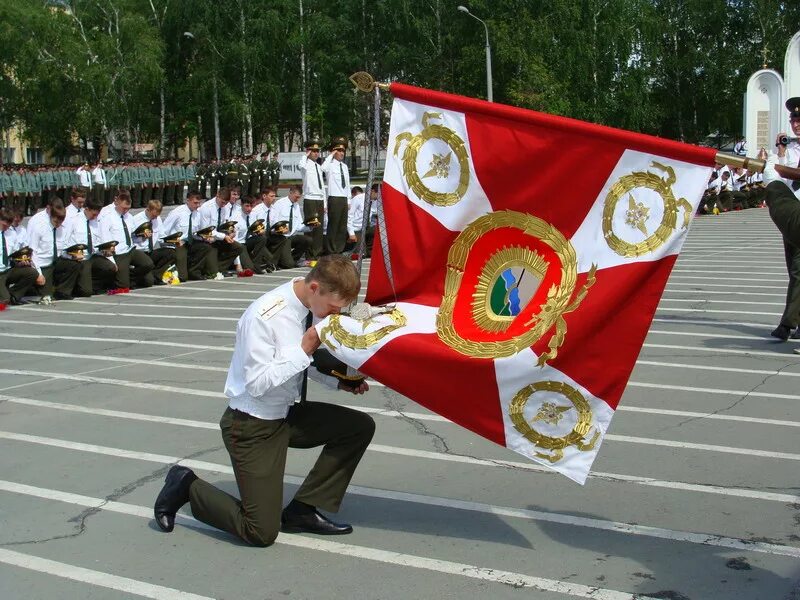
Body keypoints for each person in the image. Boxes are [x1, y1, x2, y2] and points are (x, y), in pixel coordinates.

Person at [153, 255, 375, 546]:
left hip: (287, 413)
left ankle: (302, 510)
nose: (335, 314)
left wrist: (338, 382)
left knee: (358, 426)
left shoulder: (310, 304)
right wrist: (305, 346)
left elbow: (300, 365)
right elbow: (257, 384)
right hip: (251, 425)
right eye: (333, 306)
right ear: (315, 287)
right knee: (260, 531)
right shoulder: (264, 315)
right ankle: (186, 486)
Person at [770, 96, 800, 341]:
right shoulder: (791, 150)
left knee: (799, 270)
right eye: (793, 120)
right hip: (790, 212)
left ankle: (788, 324)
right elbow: (783, 177)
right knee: (793, 269)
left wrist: (776, 169)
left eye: (799, 120)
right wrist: (779, 152)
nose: (796, 124)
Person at [98, 190, 154, 289]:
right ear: (117, 203)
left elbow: (133, 235)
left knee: (148, 264)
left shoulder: (129, 217)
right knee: (123, 286)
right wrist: (111, 261)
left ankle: (128, 276)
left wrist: (142, 235)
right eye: (124, 208)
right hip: (119, 254)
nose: (126, 211)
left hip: (130, 249)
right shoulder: (108, 218)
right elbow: (105, 240)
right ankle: (120, 279)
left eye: (128, 208)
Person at [27, 199, 81, 302]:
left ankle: (63, 291)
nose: (58, 224)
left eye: (61, 222)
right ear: (51, 216)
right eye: (56, 221)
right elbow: (32, 252)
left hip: (55, 262)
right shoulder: (39, 227)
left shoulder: (62, 228)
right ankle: (31, 287)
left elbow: (63, 248)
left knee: (74, 264)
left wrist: (72, 256)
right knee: (46, 296)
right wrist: (39, 273)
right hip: (43, 265)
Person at [161, 191, 214, 281]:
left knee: (205, 247)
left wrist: (204, 237)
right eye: (195, 203)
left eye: (199, 203)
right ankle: (176, 270)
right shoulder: (177, 213)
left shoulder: (197, 213)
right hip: (177, 244)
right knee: (182, 277)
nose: (198, 205)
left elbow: (195, 232)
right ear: (187, 201)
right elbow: (163, 232)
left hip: (190, 242)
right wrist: (175, 241)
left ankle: (194, 271)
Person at [0, 208, 38, 308]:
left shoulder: (11, 234)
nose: (6, 228)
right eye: (4, 225)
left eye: (8, 225)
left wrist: (20, 262)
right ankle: (5, 295)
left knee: (31, 273)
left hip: (7, 269)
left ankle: (14, 295)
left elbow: (14, 254)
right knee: (4, 301)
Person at [321, 137, 351, 255]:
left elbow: (348, 184)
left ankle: (339, 249)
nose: (342, 153)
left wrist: (348, 199)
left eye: (343, 151)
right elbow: (323, 168)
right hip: (334, 198)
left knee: (342, 226)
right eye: (339, 151)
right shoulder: (330, 164)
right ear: (333, 151)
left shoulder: (344, 166)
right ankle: (331, 250)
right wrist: (331, 155)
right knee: (333, 225)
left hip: (343, 198)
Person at [297, 140, 326, 259]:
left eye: (317, 151)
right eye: (313, 151)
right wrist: (305, 155)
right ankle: (309, 254)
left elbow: (322, 186)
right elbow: (300, 165)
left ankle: (317, 252)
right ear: (308, 151)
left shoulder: (318, 166)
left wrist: (324, 201)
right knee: (311, 226)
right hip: (310, 198)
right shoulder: (305, 164)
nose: (316, 153)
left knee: (319, 227)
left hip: (319, 198)